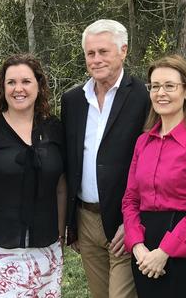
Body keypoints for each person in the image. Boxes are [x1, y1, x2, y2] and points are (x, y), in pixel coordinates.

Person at [0, 54, 66, 297]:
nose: (19, 89)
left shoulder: (54, 129)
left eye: (26, 82)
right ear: (2, 87)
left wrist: (59, 237)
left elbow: (61, 186)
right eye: (11, 82)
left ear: (39, 86)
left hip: (46, 248)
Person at [61, 19, 149, 298]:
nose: (96, 60)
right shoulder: (73, 99)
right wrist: (71, 224)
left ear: (123, 51)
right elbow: (70, 159)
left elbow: (149, 163)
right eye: (90, 53)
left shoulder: (143, 96)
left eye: (103, 52)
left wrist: (133, 221)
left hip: (124, 221)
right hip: (85, 219)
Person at [122, 55, 186, 297]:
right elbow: (130, 200)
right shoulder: (143, 142)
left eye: (169, 86)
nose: (161, 93)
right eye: (155, 86)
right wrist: (137, 246)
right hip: (144, 248)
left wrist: (164, 251)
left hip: (185, 246)